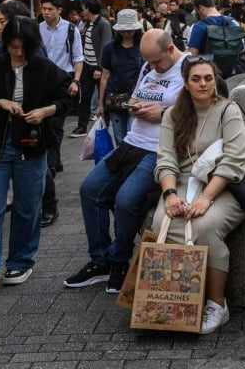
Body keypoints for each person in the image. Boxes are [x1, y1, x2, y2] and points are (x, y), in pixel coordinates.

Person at [64, 29, 185, 294]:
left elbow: (206, 104)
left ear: (171, 49)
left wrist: (164, 113)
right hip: (131, 142)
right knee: (90, 190)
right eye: (148, 62)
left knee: (126, 200)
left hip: (158, 149)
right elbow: (134, 96)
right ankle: (101, 260)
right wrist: (134, 106)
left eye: (157, 62)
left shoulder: (189, 68)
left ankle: (119, 261)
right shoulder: (147, 68)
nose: (153, 67)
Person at [0, 16, 70, 300]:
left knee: (27, 208)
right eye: (12, 47)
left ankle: (20, 262)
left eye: (23, 47)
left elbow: (68, 96)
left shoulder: (44, 68)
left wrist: (46, 111)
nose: (18, 53)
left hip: (31, 147)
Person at [150, 55, 245, 334]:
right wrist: (170, 194)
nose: (203, 83)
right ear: (185, 82)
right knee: (162, 223)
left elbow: (234, 161)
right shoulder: (173, 114)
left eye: (208, 78)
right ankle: (178, 300)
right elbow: (166, 159)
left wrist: (206, 197)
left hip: (223, 186)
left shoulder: (228, 110)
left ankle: (217, 304)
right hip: (182, 183)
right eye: (196, 78)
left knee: (203, 227)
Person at [37, 0, 83, 227]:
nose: (46, 12)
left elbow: (78, 57)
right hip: (43, 80)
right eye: (43, 8)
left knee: (56, 124)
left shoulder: (71, 30)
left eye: (50, 9)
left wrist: (75, 80)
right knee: (48, 124)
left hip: (63, 79)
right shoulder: (38, 29)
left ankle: (52, 164)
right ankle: (54, 160)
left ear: (59, 10)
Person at [96, 9, 144, 145]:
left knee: (132, 135)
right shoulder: (109, 47)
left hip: (136, 98)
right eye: (124, 31)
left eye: (130, 30)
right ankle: (122, 164)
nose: (127, 33)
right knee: (119, 137)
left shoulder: (142, 46)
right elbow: (104, 76)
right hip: (114, 98)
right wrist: (100, 104)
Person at [70, 0, 111, 138]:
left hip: (98, 67)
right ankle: (82, 126)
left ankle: (104, 126)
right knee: (85, 96)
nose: (82, 11)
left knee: (103, 97)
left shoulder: (103, 24)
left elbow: (106, 46)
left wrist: (99, 67)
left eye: (84, 8)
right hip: (87, 65)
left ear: (88, 9)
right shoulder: (87, 23)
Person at [188, 0, 245, 80]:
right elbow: (242, 49)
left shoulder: (199, 25)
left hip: (207, 76)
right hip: (231, 73)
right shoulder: (232, 22)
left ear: (200, 8)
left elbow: (192, 54)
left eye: (197, 12)